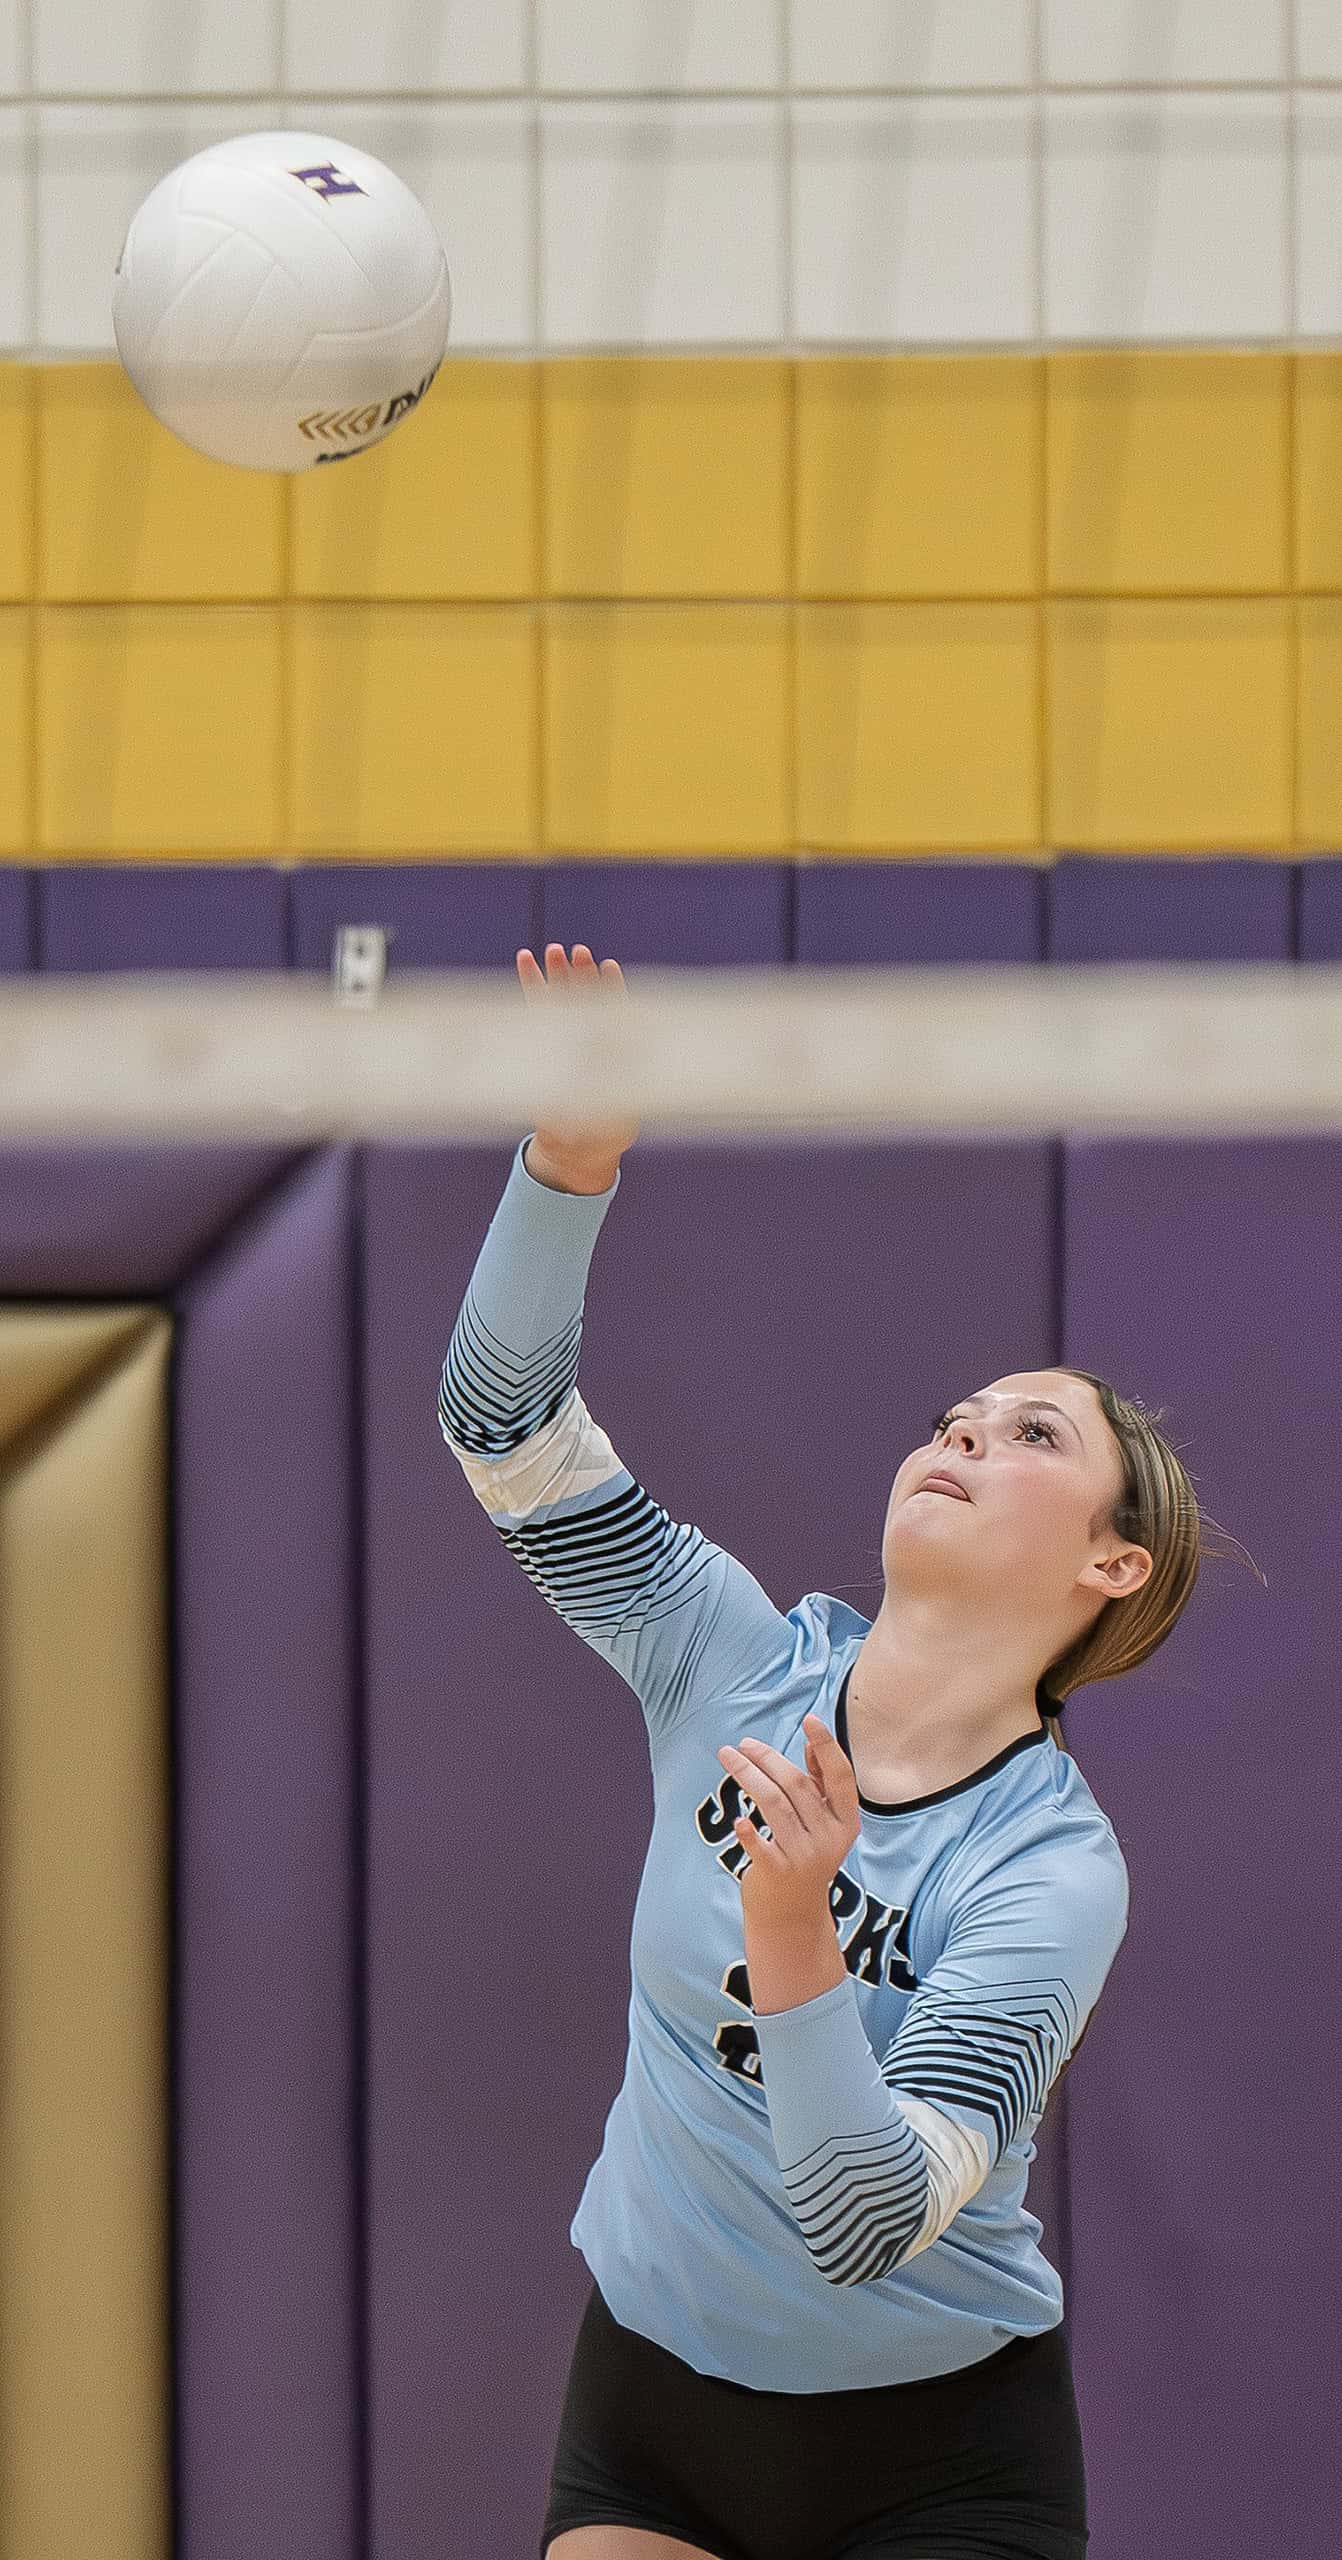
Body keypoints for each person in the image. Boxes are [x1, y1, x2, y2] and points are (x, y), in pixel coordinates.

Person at [436, 943, 1213, 2560]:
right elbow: (503, 1428)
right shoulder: (726, 1653)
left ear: (1109, 1564)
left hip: (936, 2460)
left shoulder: (1051, 1871)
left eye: (1029, 1437)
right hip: (650, 2400)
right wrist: (570, 1163)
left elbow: (862, 2222)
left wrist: (793, 1926)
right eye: (957, 1416)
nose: (965, 1437)